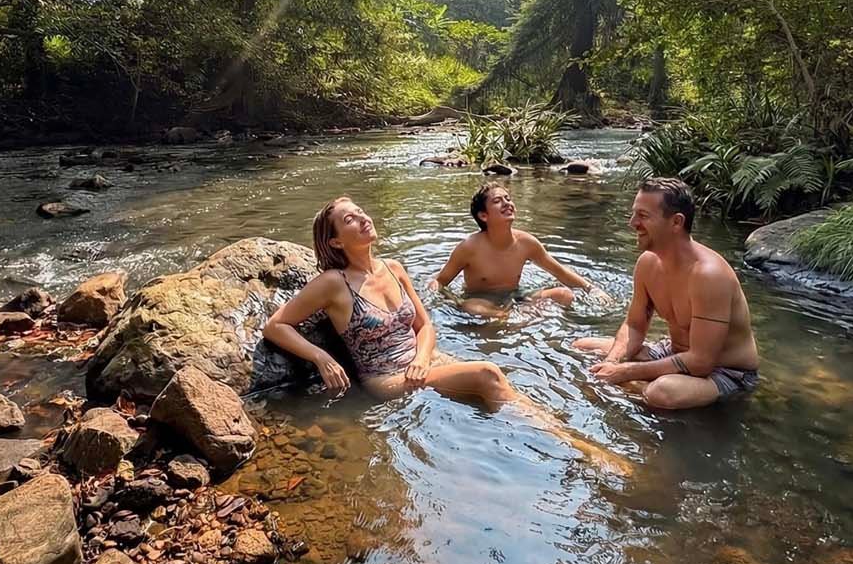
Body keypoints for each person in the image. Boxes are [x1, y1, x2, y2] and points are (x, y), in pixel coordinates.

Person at [264, 196, 632, 474]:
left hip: (423, 361)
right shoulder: (333, 283)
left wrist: (423, 357)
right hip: (388, 377)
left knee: (508, 386)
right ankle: (579, 451)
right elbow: (276, 326)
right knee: (487, 374)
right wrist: (321, 356)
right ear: (335, 243)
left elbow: (425, 326)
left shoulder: (393, 268)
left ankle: (559, 442)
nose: (363, 218)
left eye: (361, 212)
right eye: (350, 219)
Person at [572, 178, 760, 410]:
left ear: (676, 222)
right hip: (673, 353)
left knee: (661, 392)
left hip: (725, 372)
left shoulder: (709, 275)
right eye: (634, 214)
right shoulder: (647, 263)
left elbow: (701, 362)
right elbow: (634, 326)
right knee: (583, 346)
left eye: (643, 215)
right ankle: (636, 387)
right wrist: (612, 362)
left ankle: (640, 389)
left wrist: (625, 371)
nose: (633, 223)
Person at [430, 184, 603, 317]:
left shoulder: (526, 243)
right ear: (483, 216)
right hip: (482, 300)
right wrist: (453, 302)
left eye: (508, 198)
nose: (507, 203)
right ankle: (512, 317)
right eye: (497, 201)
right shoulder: (469, 247)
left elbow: (559, 271)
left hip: (517, 296)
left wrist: (591, 289)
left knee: (564, 295)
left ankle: (513, 317)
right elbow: (440, 281)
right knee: (472, 307)